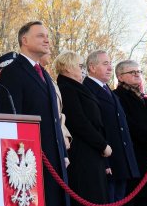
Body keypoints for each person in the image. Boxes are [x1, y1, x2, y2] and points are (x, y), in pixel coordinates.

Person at [0, 21, 70, 206]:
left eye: (47, 36)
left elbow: (54, 119)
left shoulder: (44, 74)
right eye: (40, 36)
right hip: (30, 159)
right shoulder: (12, 72)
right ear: (25, 40)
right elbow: (13, 118)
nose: (47, 40)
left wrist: (62, 153)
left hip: (54, 157)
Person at [53, 50, 111, 205]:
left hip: (92, 153)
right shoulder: (66, 88)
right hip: (82, 154)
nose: (83, 69)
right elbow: (79, 122)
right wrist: (102, 144)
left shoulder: (77, 87)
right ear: (67, 68)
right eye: (79, 66)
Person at [83, 50, 140, 203]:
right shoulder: (86, 89)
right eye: (105, 64)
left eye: (110, 64)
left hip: (120, 160)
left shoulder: (108, 90)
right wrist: (105, 162)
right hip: (106, 161)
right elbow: (94, 127)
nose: (110, 68)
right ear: (92, 67)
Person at [114, 60, 147, 206]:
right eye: (132, 72)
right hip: (134, 156)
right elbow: (128, 124)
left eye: (139, 71)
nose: (137, 74)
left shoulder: (146, 99)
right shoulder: (117, 96)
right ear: (120, 77)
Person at [40, 52, 72, 151]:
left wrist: (65, 135)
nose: (50, 52)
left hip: (58, 139)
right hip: (44, 139)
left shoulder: (48, 77)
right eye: (46, 50)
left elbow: (58, 113)